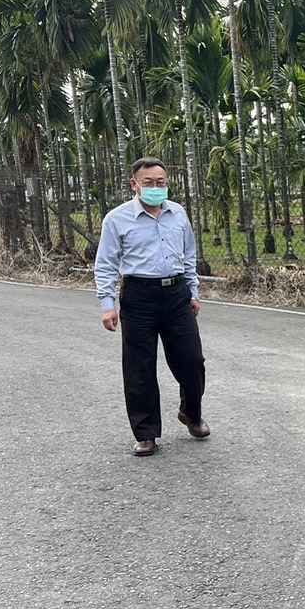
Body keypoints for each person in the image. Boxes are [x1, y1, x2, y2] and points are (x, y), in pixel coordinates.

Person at [94, 157, 207, 457]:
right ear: (135, 185)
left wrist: (193, 292)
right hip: (138, 297)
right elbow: (105, 265)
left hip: (176, 295)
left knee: (192, 360)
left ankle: (191, 413)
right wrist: (108, 305)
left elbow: (189, 255)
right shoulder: (116, 219)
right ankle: (146, 434)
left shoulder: (178, 214)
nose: (156, 188)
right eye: (149, 183)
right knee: (139, 368)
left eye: (161, 183)